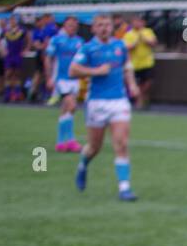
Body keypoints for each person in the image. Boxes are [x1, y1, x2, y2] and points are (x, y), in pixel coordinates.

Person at [70, 12, 141, 201]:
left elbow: (127, 67)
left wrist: (132, 84)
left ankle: (124, 188)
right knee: (95, 147)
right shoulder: (88, 48)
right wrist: (95, 71)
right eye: (100, 25)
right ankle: (83, 164)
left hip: (119, 101)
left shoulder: (120, 46)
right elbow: (73, 70)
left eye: (107, 25)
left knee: (121, 143)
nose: (104, 28)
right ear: (94, 28)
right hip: (97, 103)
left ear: (112, 27)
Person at [45, 16, 83, 152]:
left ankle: (60, 143)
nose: (73, 27)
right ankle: (71, 141)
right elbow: (48, 58)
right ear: (65, 26)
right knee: (72, 106)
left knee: (65, 110)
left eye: (75, 25)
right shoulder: (56, 40)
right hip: (61, 79)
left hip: (75, 80)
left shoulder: (79, 41)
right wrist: (49, 77)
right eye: (70, 25)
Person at [123, 15, 157, 110]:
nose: (137, 23)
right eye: (135, 21)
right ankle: (140, 101)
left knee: (148, 83)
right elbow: (125, 47)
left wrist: (144, 38)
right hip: (134, 64)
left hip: (147, 63)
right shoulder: (129, 34)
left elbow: (153, 43)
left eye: (139, 21)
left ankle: (142, 98)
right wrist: (134, 44)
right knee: (134, 84)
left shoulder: (148, 32)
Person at [30, 13, 58, 103]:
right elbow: (46, 42)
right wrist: (44, 50)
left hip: (43, 53)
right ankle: (45, 93)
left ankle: (37, 92)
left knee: (40, 73)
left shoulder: (46, 29)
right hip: (46, 54)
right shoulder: (49, 28)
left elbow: (40, 43)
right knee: (45, 73)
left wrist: (41, 47)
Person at [0, 17, 28, 102]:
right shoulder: (6, 31)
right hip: (9, 55)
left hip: (17, 54)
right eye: (11, 20)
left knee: (17, 74)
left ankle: (17, 93)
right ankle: (8, 93)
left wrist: (26, 49)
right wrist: (2, 50)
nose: (12, 21)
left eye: (14, 20)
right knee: (8, 73)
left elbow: (29, 40)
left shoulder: (22, 31)